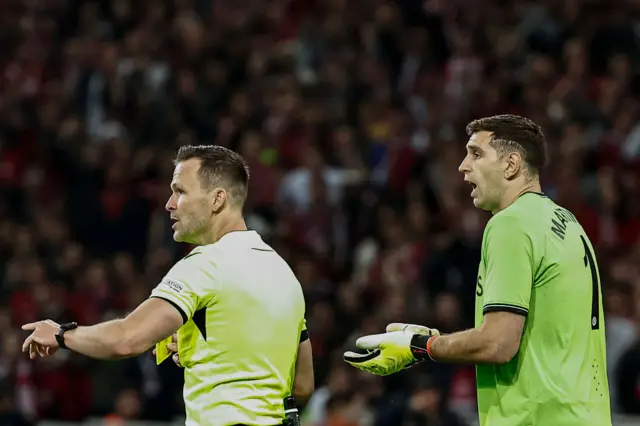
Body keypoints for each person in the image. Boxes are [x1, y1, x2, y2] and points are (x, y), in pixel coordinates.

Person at [344, 115, 612, 426]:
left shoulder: (511, 224)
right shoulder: (567, 223)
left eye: (476, 153)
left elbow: (498, 343)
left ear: (511, 164)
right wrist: (439, 340)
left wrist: (419, 347)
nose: (463, 165)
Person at [21, 145, 314, 426]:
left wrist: (62, 335)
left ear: (217, 199)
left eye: (180, 191)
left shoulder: (206, 264)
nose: (169, 204)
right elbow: (302, 385)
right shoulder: (284, 274)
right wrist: (206, 354)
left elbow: (128, 337)